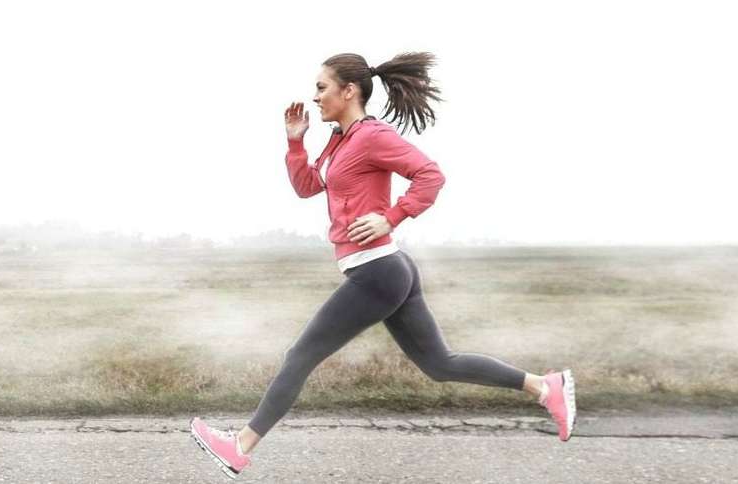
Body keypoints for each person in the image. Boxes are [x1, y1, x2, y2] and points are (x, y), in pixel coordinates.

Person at [190, 51, 576, 478]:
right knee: (439, 364)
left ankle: (240, 446)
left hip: (378, 271)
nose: (314, 97)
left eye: (322, 87)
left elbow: (430, 175)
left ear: (349, 91)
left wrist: (391, 215)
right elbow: (307, 187)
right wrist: (295, 141)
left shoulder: (372, 136)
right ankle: (544, 386)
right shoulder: (340, 139)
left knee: (300, 355)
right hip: (387, 270)